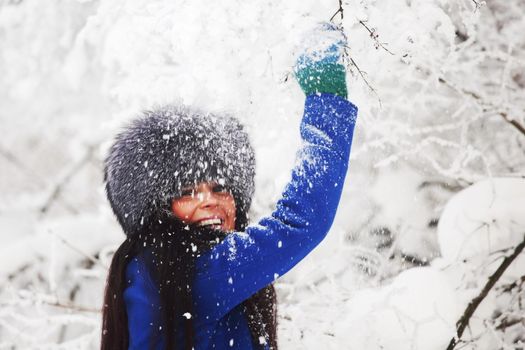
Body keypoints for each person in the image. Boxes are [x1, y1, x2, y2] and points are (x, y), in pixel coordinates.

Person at [101, 24, 358, 350]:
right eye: (187, 192)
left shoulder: (153, 277)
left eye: (221, 188)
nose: (210, 201)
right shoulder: (200, 272)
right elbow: (302, 222)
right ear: (156, 211)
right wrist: (327, 99)